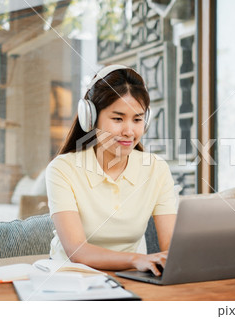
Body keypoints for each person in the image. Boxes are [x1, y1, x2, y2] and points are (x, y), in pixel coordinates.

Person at [45, 65, 177, 276]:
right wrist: (137, 259)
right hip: (69, 278)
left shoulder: (156, 169)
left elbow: (171, 245)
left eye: (137, 119)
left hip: (131, 278)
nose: (129, 131)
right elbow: (77, 251)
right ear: (90, 118)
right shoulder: (62, 169)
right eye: (117, 119)